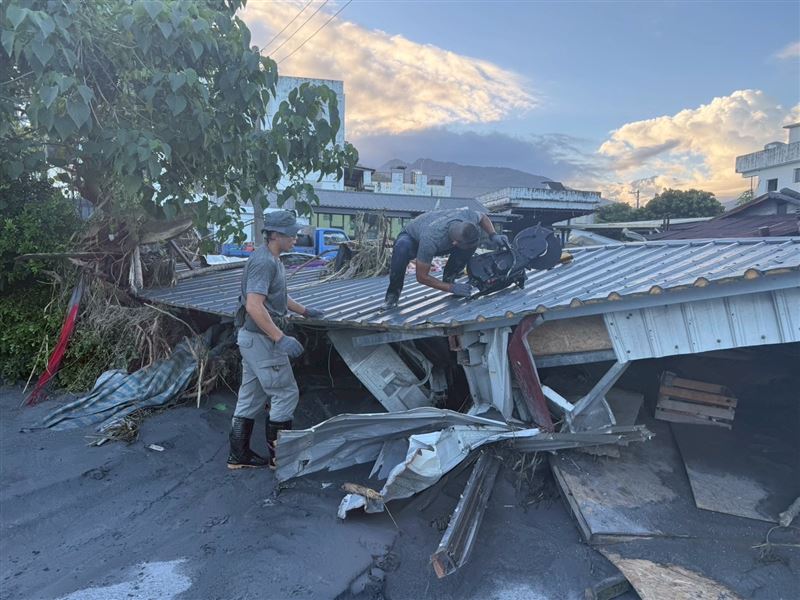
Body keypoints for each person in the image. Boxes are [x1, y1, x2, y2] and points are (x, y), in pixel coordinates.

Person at [227, 210, 324, 469]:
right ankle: (280, 460)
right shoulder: (264, 262)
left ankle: (239, 457)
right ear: (276, 235)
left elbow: (277, 298)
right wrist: (280, 338)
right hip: (261, 340)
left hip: (251, 340)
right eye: (292, 234)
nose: (296, 237)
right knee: (285, 393)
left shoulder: (273, 259)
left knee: (251, 397)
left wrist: (304, 311)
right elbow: (254, 306)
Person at [382, 208, 508, 309]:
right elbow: (422, 277)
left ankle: (450, 278)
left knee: (469, 246)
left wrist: (493, 235)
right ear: (454, 243)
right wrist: (451, 288)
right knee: (401, 248)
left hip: (442, 237)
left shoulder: (467, 215)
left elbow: (483, 217)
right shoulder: (430, 239)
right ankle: (393, 294)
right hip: (412, 238)